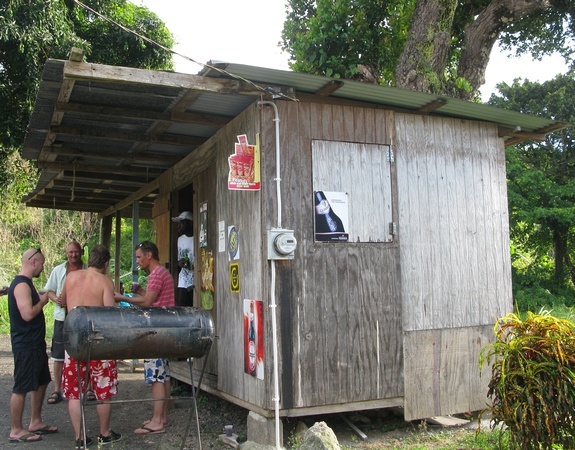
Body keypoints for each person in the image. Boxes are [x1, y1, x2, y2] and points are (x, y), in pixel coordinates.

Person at [61, 244, 121, 448]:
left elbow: (62, 301)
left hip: (74, 340)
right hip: (98, 341)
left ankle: (79, 438)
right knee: (103, 390)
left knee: (75, 392)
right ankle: (104, 434)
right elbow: (109, 314)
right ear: (105, 263)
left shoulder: (71, 277)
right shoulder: (105, 281)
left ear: (88, 260)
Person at [115, 240, 175, 434]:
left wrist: (122, 298)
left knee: (156, 376)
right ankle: (162, 417)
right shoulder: (161, 273)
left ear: (149, 255)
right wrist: (140, 292)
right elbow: (153, 298)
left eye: (139, 257)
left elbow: (148, 303)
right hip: (165, 329)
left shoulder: (156, 274)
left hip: (155, 330)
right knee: (164, 374)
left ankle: (157, 421)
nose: (137, 261)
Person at [8, 248, 58, 443]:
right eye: (42, 263)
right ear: (33, 262)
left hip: (35, 344)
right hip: (25, 345)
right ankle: (16, 429)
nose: (43, 267)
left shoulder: (27, 284)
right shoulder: (21, 285)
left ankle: (35, 421)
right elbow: (27, 314)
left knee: (42, 380)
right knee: (21, 386)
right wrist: (43, 302)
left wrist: (46, 295)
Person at [44, 240, 85, 405]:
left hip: (82, 317)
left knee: (84, 352)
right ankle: (57, 389)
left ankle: (86, 388)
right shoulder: (59, 270)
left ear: (81, 252)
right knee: (58, 354)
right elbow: (49, 290)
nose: (73, 255)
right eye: (70, 252)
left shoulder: (87, 270)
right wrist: (57, 299)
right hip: (62, 317)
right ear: (66, 253)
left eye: (76, 252)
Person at [172, 211, 195, 307]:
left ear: (190, 223)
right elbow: (179, 259)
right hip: (183, 280)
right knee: (183, 308)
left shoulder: (197, 239)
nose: (179, 225)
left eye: (182, 222)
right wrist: (179, 263)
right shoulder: (180, 239)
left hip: (195, 279)